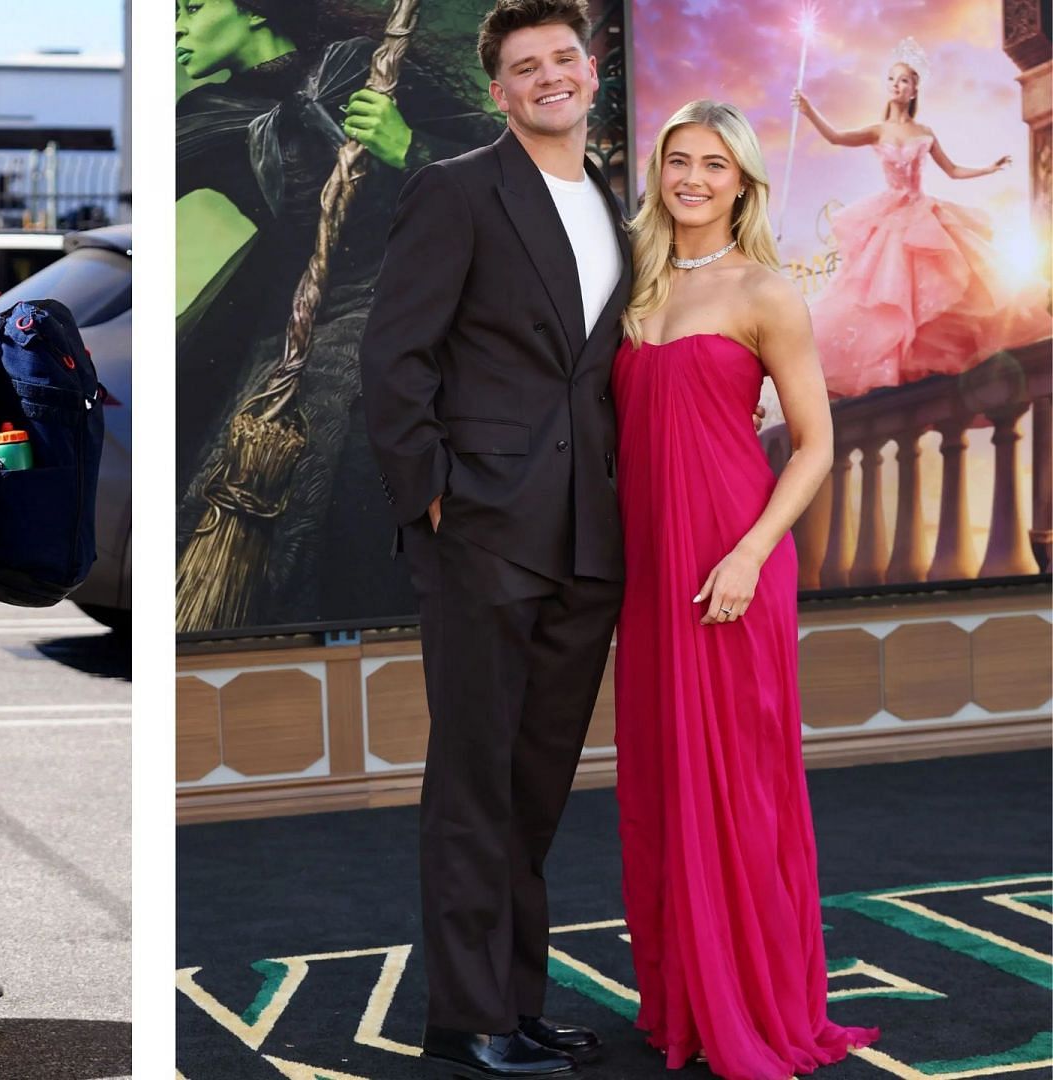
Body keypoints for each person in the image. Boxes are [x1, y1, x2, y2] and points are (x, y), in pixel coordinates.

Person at [359, 1, 628, 1075]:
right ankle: (469, 1018)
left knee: (534, 789)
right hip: (481, 532)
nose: (552, 76)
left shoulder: (614, 198)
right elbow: (395, 358)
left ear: (592, 70)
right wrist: (436, 497)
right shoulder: (457, 188)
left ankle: (515, 1004)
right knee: (474, 784)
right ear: (500, 92)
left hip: (587, 541)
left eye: (566, 57)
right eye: (528, 66)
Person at [611, 98, 878, 1079]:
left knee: (741, 789)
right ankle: (685, 1000)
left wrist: (751, 553)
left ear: (743, 182)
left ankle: (757, 1008)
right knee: (664, 787)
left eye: (713, 166)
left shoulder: (766, 291)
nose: (692, 179)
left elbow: (815, 445)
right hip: (652, 575)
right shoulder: (632, 288)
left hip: (732, 566)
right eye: (678, 161)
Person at [174, 0, 499, 629]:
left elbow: (506, 176)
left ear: (253, 12)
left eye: (191, 9)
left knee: (356, 485)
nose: (179, 28)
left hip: (415, 318)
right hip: (292, 323)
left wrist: (408, 145)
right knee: (221, 489)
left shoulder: (371, 70)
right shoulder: (208, 119)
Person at [792, 38, 1047, 398]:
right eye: (892, 80)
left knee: (941, 285)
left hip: (921, 211)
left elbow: (953, 170)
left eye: (903, 81)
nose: (896, 85)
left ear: (914, 89)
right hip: (889, 216)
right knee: (883, 291)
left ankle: (927, 372)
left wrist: (988, 168)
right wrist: (809, 110)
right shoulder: (877, 130)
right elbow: (835, 138)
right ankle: (889, 371)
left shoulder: (925, 133)